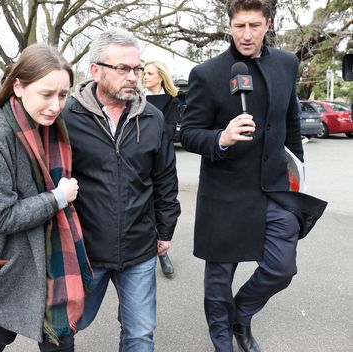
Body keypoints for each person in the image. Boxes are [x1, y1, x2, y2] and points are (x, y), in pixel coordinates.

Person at [180, 1, 326, 351]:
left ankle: (240, 315)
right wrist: (222, 138)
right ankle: (223, 344)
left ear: (268, 24)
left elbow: (291, 124)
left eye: (255, 25)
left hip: (274, 189)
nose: (247, 34)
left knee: (281, 268)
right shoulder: (208, 73)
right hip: (224, 194)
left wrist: (298, 175)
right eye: (240, 26)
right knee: (218, 283)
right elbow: (189, 133)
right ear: (229, 25)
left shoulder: (287, 64)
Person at [0, 43, 93, 352]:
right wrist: (57, 198)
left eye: (62, 95)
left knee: (59, 339)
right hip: (11, 258)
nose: (56, 105)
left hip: (52, 256)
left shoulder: (53, 125)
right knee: (1, 330)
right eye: (46, 94)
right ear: (17, 86)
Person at [62, 29, 181, 351]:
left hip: (139, 248)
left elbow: (165, 181)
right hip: (85, 250)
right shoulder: (66, 117)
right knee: (65, 328)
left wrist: (166, 229)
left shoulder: (153, 118)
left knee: (140, 335)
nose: (133, 76)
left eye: (137, 68)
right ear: (95, 70)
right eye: (123, 69)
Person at [143, 60, 182, 277]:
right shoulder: (136, 99)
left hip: (162, 159)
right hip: (139, 158)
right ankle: (148, 254)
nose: (145, 77)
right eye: (144, 73)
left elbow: (167, 132)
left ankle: (162, 252)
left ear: (161, 76)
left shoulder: (171, 102)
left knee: (163, 202)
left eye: (149, 73)